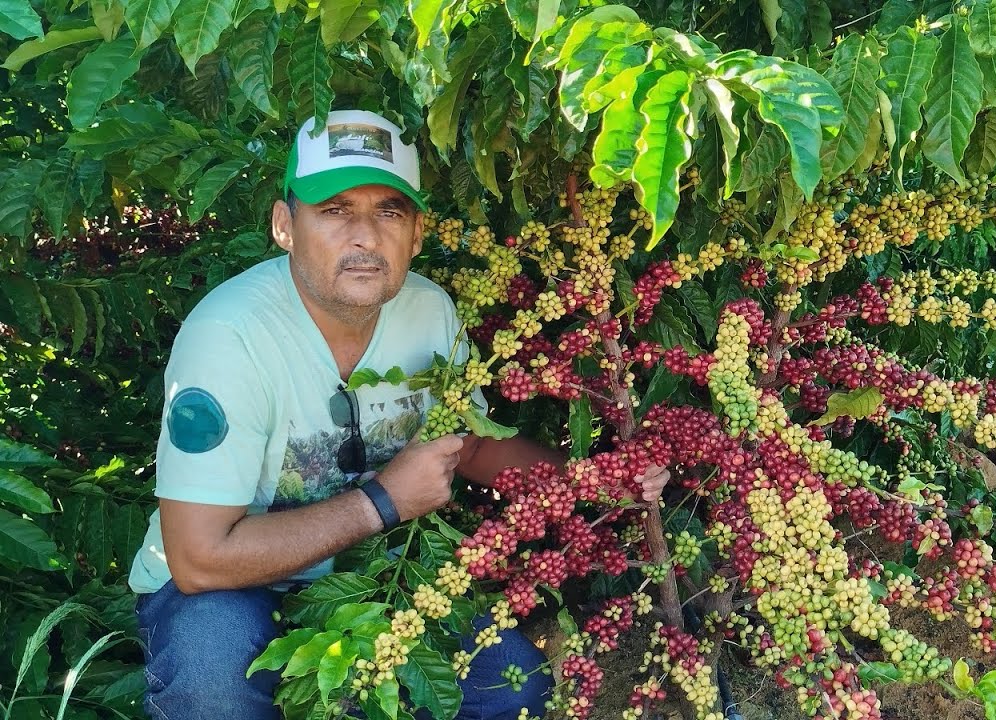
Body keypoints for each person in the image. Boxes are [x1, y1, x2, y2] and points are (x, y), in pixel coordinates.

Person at [127, 109, 669, 720]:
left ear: (415, 233)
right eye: (334, 210)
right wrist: (384, 502)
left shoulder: (429, 313)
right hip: (225, 589)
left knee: (512, 691)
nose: (364, 236)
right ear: (285, 224)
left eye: (389, 211)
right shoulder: (228, 337)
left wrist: (593, 482)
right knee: (214, 689)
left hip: (372, 581)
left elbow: (471, 445)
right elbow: (199, 560)